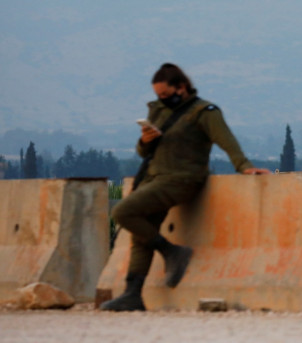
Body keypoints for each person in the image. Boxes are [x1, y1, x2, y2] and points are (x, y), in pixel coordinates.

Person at [101, 63, 269, 312]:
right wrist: (145, 141)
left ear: (182, 87)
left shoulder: (204, 112)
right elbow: (142, 152)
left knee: (123, 212)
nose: (162, 100)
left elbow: (226, 140)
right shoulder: (158, 111)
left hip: (181, 180)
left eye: (166, 95)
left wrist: (243, 165)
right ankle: (132, 294)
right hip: (154, 178)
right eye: (159, 96)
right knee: (141, 235)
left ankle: (172, 252)